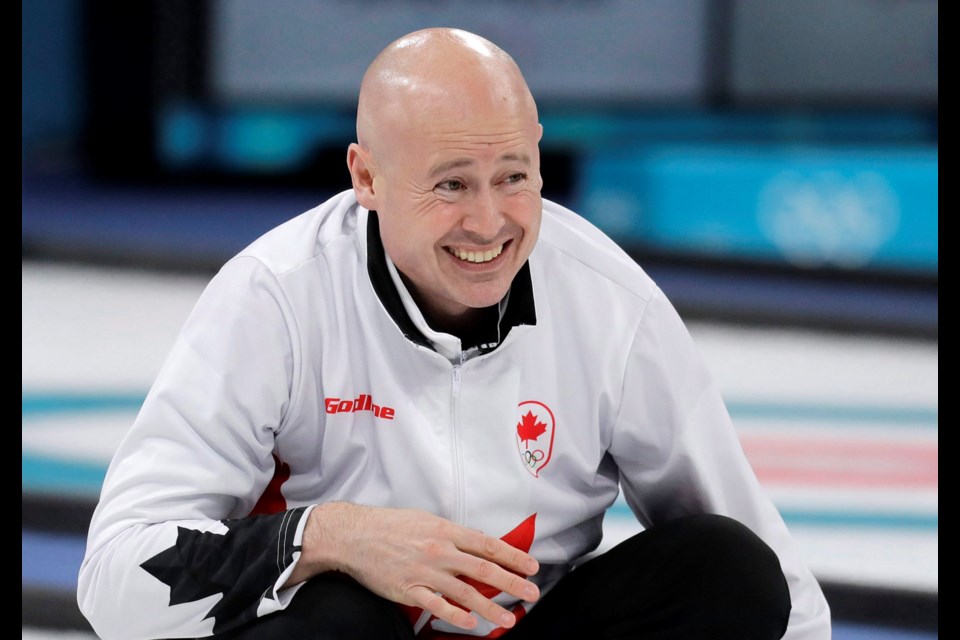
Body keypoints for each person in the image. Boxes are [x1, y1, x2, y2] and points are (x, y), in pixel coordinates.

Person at [77, 28, 830, 639]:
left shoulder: (609, 301)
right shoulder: (274, 295)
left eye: (513, 174)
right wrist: (329, 536)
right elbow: (115, 578)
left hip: (535, 627)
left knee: (727, 566)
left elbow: (779, 589)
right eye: (450, 184)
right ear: (365, 178)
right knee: (341, 614)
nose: (489, 222)